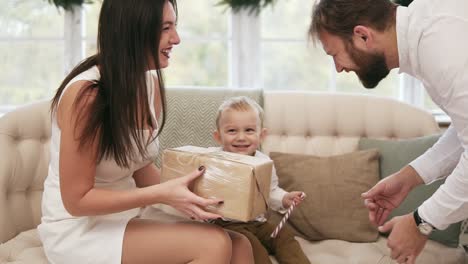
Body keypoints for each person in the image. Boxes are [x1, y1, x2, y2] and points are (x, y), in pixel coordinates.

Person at [37, 1, 255, 263]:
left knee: (241, 244)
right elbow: (77, 201)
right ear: (133, 30)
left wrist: (196, 197)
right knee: (213, 244)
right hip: (80, 228)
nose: (176, 39)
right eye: (166, 28)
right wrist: (164, 195)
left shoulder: (148, 85)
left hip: (129, 215)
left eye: (174, 26)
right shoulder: (87, 96)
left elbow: (139, 167)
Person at [309, 0, 468, 263]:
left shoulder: (441, 46)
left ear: (362, 35)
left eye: (334, 54)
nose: (338, 68)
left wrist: (421, 223)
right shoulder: (427, 34)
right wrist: (411, 175)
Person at [210, 96, 310, 264]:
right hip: (227, 225)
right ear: (218, 136)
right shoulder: (214, 161)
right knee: (250, 245)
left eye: (249, 130)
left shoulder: (264, 163)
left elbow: (270, 191)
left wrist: (285, 198)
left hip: (258, 223)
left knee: (284, 237)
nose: (241, 137)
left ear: (261, 135)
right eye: (232, 131)